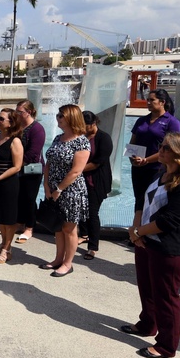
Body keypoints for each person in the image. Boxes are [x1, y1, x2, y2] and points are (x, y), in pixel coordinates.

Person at [122, 133, 180, 358]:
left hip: (169, 249)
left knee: (166, 297)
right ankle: (148, 324)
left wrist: (138, 232)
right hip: (146, 242)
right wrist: (136, 229)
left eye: (166, 147)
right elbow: (142, 200)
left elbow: (169, 221)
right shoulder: (163, 173)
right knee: (146, 288)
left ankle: (166, 346)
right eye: (161, 145)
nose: (160, 149)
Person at [42, 105, 90, 277]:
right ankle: (58, 259)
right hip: (54, 189)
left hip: (71, 191)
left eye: (61, 115)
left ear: (71, 117)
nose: (58, 117)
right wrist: (47, 185)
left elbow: (76, 171)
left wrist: (59, 189)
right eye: (58, 114)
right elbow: (49, 163)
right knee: (58, 226)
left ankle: (68, 264)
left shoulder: (82, 141)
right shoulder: (58, 138)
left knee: (69, 228)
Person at [128, 89, 180, 210]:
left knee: (155, 201)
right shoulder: (141, 120)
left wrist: (147, 160)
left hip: (158, 168)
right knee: (139, 199)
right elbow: (133, 142)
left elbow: (172, 148)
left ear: (162, 102)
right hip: (138, 168)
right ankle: (137, 226)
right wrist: (133, 159)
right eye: (147, 100)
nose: (148, 102)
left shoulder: (172, 122)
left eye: (152, 100)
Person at [0, 108, 23, 264]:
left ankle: (7, 249)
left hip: (8, 183)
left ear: (10, 123)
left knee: (8, 218)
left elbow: (17, 167)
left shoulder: (15, 141)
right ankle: (2, 243)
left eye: (1, 118)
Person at [79, 111, 113, 261]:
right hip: (81, 180)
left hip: (97, 181)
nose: (84, 129)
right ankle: (84, 234)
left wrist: (76, 169)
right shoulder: (81, 136)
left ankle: (93, 246)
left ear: (94, 124)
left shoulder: (104, 138)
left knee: (92, 213)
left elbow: (99, 161)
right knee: (80, 209)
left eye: (86, 126)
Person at [14, 100, 46, 245]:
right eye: (17, 111)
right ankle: (20, 222)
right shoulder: (18, 127)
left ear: (30, 112)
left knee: (29, 198)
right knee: (19, 196)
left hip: (32, 169)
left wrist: (16, 162)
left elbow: (34, 153)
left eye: (20, 112)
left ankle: (30, 227)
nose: (17, 114)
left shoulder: (37, 129)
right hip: (18, 168)